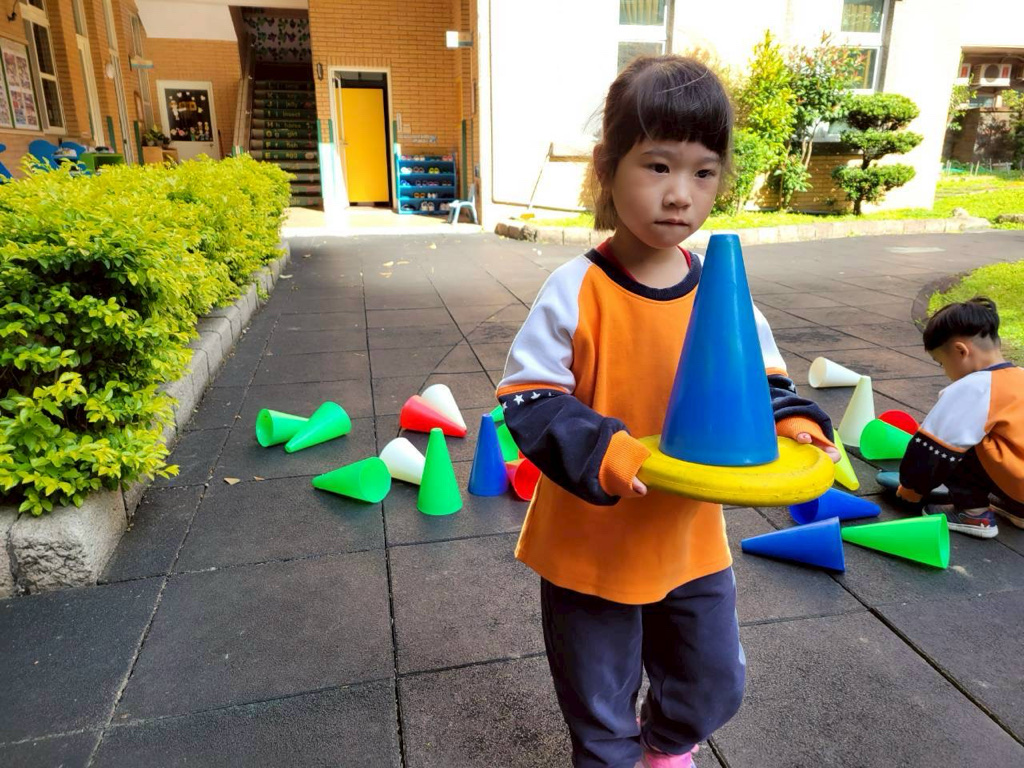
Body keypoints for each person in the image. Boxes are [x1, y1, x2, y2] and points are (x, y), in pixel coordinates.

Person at [496, 55, 837, 768]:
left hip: (686, 536)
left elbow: (761, 380)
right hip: (590, 544)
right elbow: (529, 400)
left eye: (703, 172)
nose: (680, 194)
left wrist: (792, 420)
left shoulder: (720, 290)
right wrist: (607, 449)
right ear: (606, 166)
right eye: (657, 166)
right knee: (598, 705)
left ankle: (665, 743)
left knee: (714, 684)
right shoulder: (576, 289)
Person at [897, 297, 1024, 538]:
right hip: (1019, 483)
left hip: (1019, 483)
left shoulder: (976, 387)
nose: (945, 372)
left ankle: (973, 513)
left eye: (941, 363)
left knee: (954, 441)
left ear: (960, 351)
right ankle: (1017, 508)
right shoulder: (1020, 375)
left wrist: (912, 488)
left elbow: (930, 448)